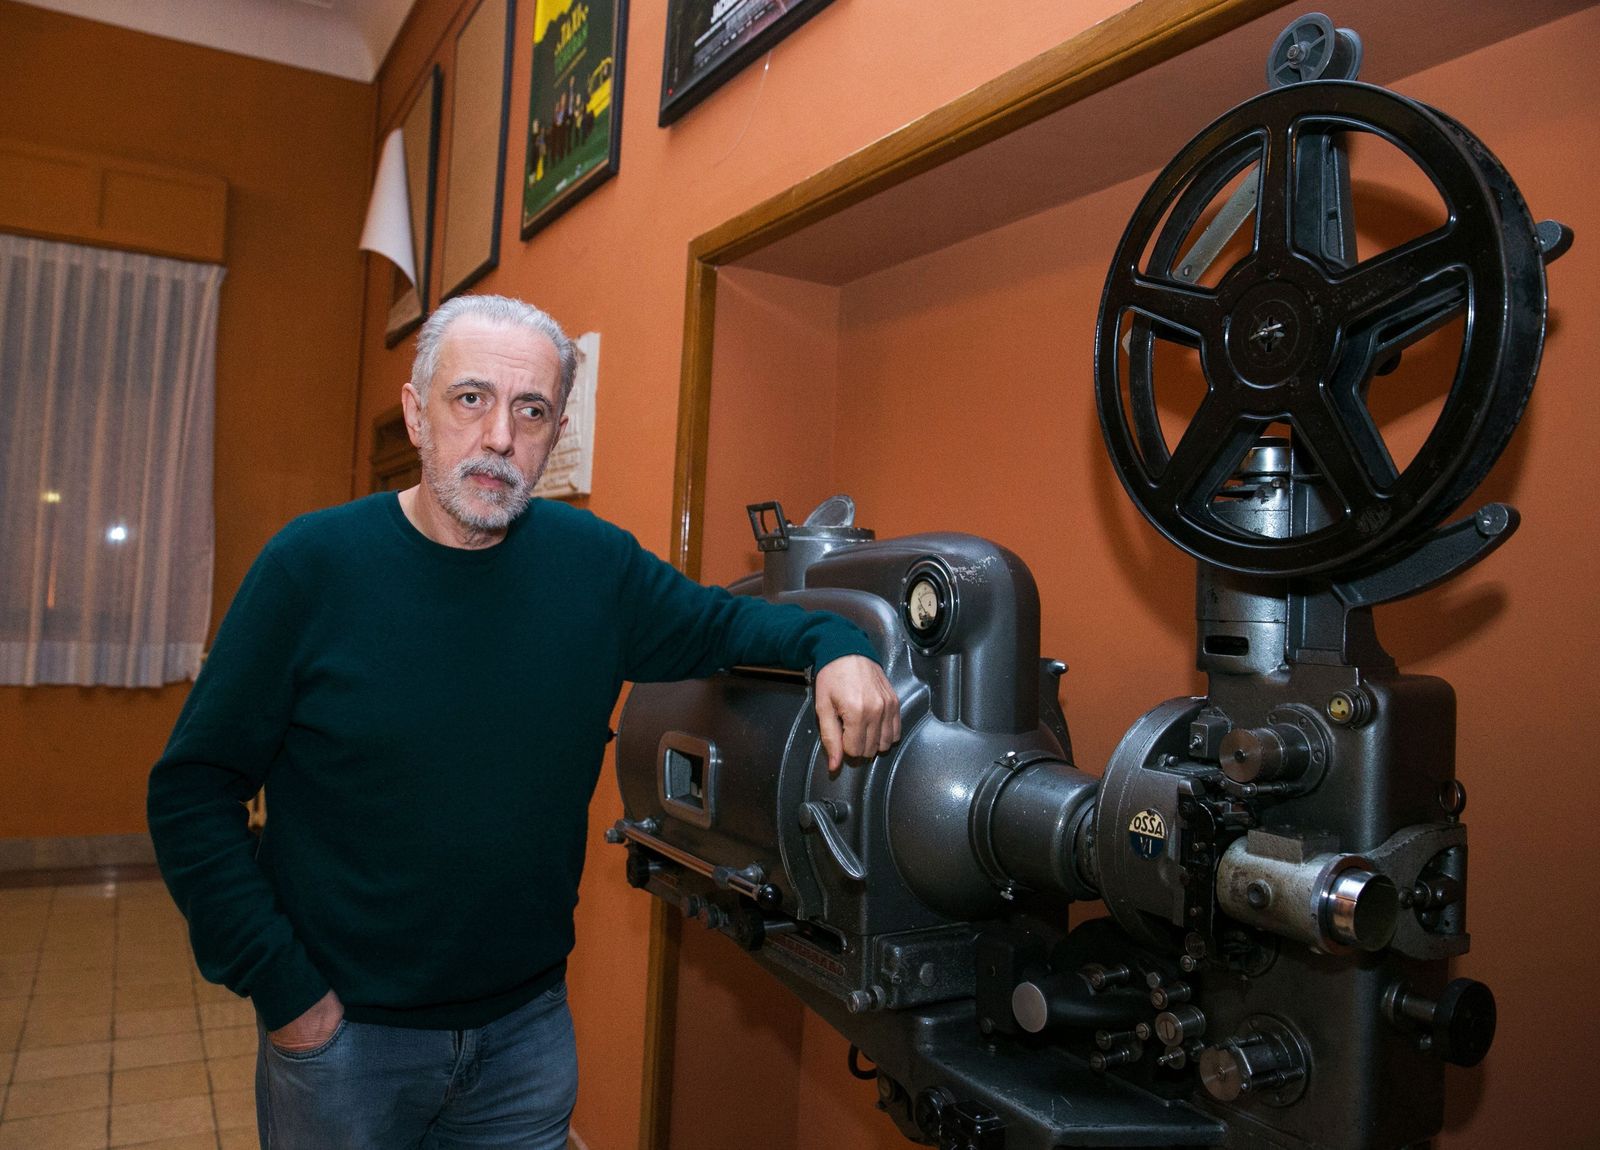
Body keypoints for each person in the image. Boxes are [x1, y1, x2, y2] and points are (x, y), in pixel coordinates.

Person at [147, 294, 901, 1149]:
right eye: (470, 399)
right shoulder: (310, 568)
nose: (500, 437)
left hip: (525, 1036)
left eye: (530, 410)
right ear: (416, 413)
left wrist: (836, 646)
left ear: (555, 431)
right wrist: (286, 994)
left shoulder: (592, 566)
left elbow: (727, 625)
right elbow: (191, 796)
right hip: (346, 1043)